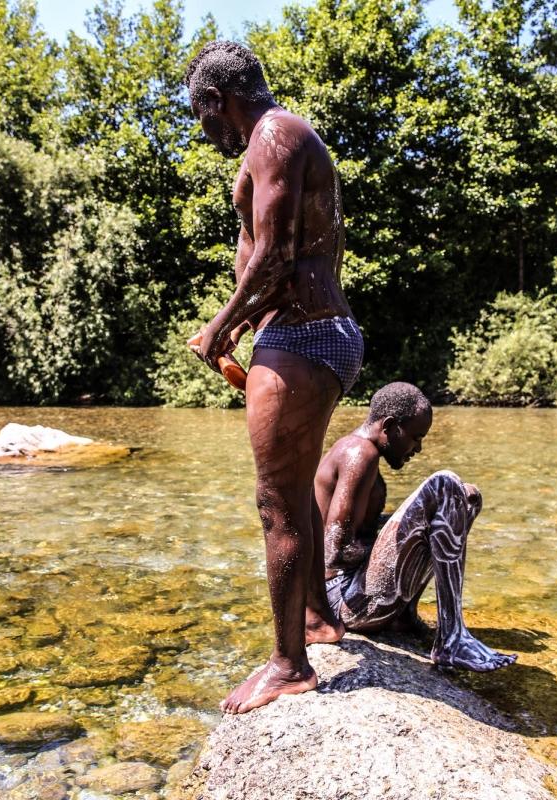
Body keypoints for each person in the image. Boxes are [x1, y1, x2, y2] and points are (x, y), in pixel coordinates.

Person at [184, 41, 362, 714]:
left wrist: (220, 326)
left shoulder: (273, 134)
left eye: (200, 116)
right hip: (309, 335)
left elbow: (275, 254)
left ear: (215, 103)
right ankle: (317, 618)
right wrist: (237, 327)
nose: (204, 132)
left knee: (276, 504)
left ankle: (291, 665)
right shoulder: (279, 135)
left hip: (302, 335)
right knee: (293, 492)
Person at [314, 382, 516, 671]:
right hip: (342, 599)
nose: (418, 448)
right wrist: (401, 535)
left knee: (466, 496)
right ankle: (452, 640)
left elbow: (360, 533)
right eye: (415, 437)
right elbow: (335, 550)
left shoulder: (361, 452)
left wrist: (405, 530)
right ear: (390, 426)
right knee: (445, 485)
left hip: (354, 593)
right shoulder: (359, 453)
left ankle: (405, 616)